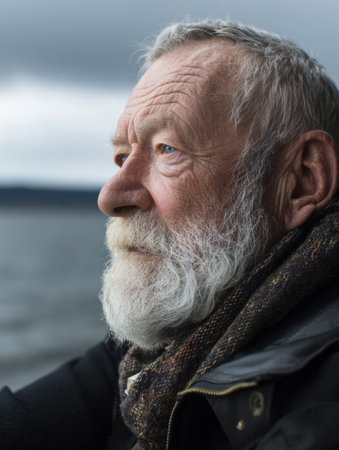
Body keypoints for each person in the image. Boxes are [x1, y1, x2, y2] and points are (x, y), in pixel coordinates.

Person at [1, 19, 339, 449]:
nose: (111, 195)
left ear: (302, 180)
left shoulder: (317, 414)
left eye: (168, 149)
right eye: (122, 156)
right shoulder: (168, 347)